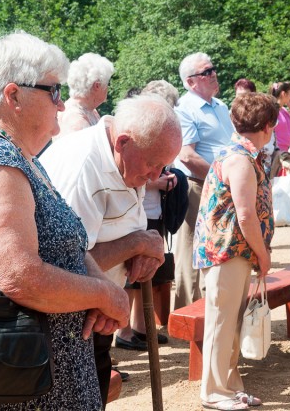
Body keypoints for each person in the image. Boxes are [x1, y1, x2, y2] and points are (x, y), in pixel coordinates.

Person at [0, 31, 129, 410]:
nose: (61, 104)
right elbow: (20, 277)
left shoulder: (18, 156)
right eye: (53, 91)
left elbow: (67, 243)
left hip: (34, 375)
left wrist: (100, 289)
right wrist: (104, 295)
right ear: (13, 96)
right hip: (14, 385)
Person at [41, 94, 182, 406]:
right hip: (69, 325)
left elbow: (122, 227)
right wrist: (137, 243)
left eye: (163, 166)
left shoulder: (127, 157)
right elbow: (65, 262)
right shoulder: (82, 169)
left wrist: (143, 250)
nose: (156, 176)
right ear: (122, 142)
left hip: (97, 314)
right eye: (153, 164)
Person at [193, 92, 276, 410]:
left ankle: (229, 386)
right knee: (221, 323)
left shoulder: (240, 154)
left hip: (234, 253)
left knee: (231, 323)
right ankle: (214, 391)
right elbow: (245, 215)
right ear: (267, 126)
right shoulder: (240, 159)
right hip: (226, 253)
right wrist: (263, 255)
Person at [116, 80, 181, 347]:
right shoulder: (139, 129)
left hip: (153, 210)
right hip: (137, 211)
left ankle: (142, 327)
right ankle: (124, 331)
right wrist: (158, 182)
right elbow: (131, 176)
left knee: (147, 272)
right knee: (129, 273)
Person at [173, 52, 234, 309]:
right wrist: (221, 177)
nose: (213, 74)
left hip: (221, 186)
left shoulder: (220, 106)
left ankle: (210, 309)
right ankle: (187, 313)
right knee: (190, 250)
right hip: (197, 185)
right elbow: (187, 155)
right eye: (206, 72)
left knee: (218, 247)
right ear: (190, 81)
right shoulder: (185, 109)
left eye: (213, 69)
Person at [56, 52, 114, 138]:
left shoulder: (90, 110)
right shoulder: (75, 118)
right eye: (107, 83)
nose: (108, 88)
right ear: (97, 86)